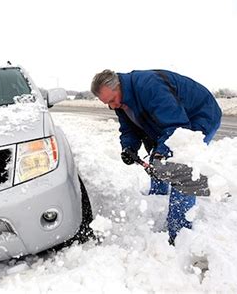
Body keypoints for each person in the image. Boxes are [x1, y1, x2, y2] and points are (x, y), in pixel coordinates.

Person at [91, 69, 222, 244]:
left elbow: (177, 127)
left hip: (199, 116)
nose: (113, 106)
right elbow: (129, 128)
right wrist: (129, 147)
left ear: (119, 86)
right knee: (158, 160)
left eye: (113, 100)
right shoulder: (120, 101)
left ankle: (180, 234)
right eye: (108, 104)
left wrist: (162, 152)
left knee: (181, 166)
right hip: (166, 123)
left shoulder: (149, 86)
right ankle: (157, 203)